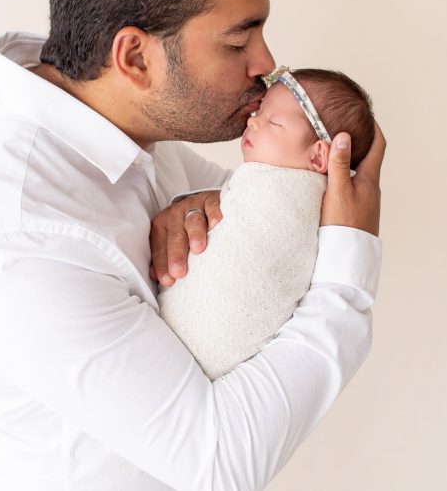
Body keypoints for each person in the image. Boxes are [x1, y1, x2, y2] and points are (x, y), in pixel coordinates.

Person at [0, 0, 386, 491]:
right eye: (239, 44)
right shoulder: (23, 238)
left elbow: (264, 218)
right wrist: (348, 272)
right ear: (134, 57)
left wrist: (220, 202)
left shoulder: (113, 124)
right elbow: (219, 463)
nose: (269, 67)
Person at [159, 67, 376, 379]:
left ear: (318, 158)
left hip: (200, 344)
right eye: (260, 111)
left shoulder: (292, 199)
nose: (253, 120)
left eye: (273, 121)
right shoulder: (264, 186)